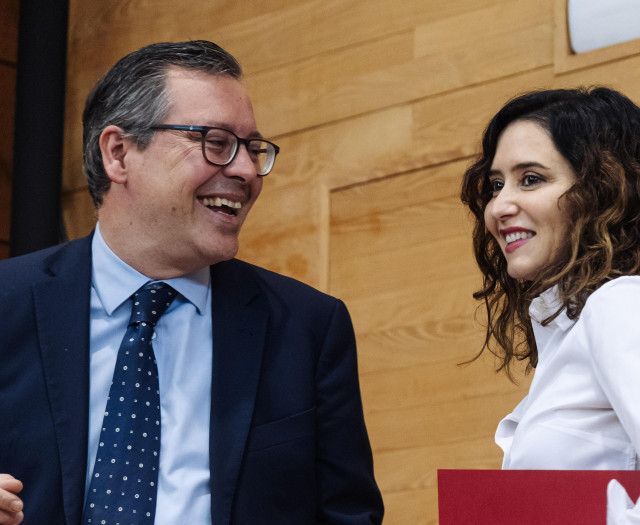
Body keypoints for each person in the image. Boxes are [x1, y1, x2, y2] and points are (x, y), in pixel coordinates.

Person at [0, 40, 383, 525]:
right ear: (119, 153)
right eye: (216, 142)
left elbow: (348, 515)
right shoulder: (6, 304)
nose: (245, 170)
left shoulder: (307, 328)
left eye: (252, 149)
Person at [460, 87, 640, 523]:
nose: (499, 206)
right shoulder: (574, 331)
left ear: (601, 191)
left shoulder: (623, 305)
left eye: (532, 178)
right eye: (497, 184)